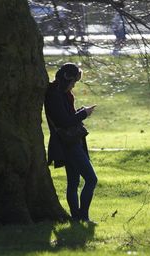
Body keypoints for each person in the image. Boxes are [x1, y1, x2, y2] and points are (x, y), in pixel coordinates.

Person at [45, 63, 97, 223]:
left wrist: (81, 111)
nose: (74, 85)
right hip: (68, 143)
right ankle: (82, 216)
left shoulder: (61, 93)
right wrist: (84, 113)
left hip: (72, 141)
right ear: (67, 78)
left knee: (73, 182)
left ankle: (77, 217)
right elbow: (65, 121)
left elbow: (67, 117)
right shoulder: (55, 95)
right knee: (91, 179)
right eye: (73, 81)